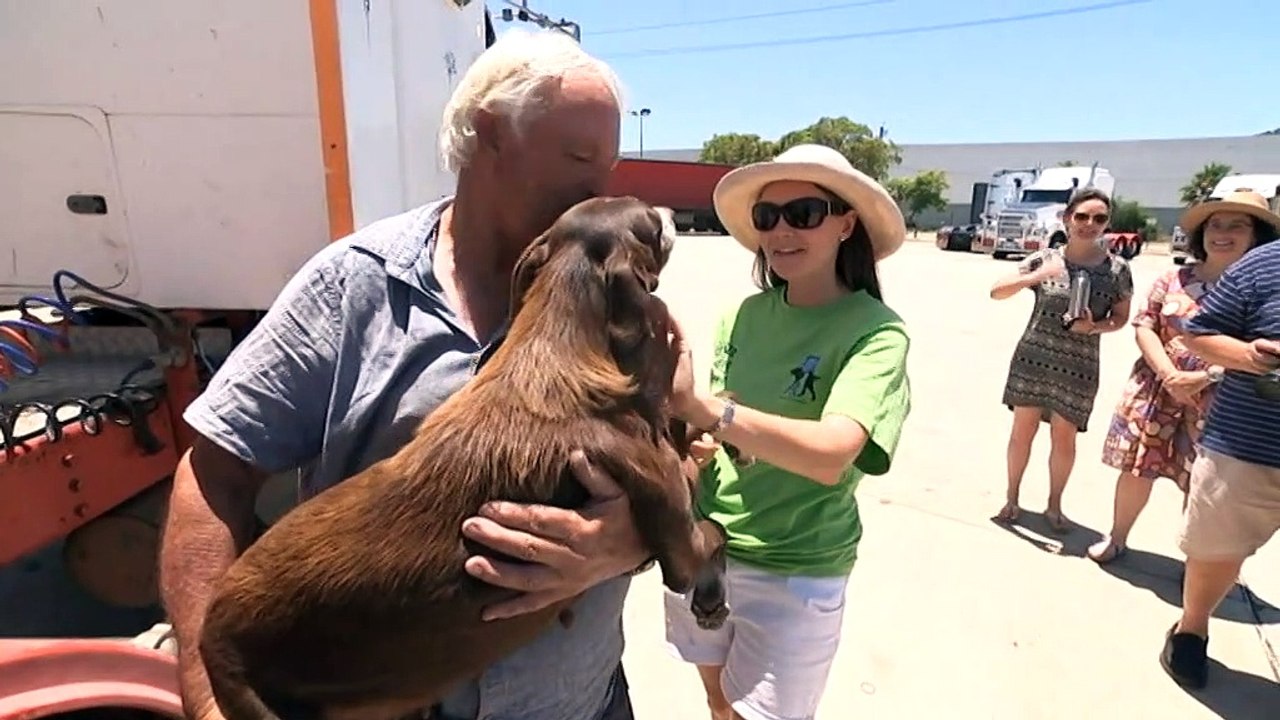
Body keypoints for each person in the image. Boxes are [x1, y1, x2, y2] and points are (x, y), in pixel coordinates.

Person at [158, 30, 656, 720]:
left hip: (575, 704)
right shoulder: (354, 288)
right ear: (491, 135)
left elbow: (682, 461)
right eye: (578, 159)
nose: (597, 192)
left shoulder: (614, 297)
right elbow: (215, 471)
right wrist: (211, 692)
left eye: (606, 166)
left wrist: (627, 541)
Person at [662, 143, 913, 720]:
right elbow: (720, 425)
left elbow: (833, 455)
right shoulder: (742, 316)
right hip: (708, 547)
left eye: (803, 214)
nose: (781, 231)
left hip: (796, 567)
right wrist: (696, 442)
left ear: (846, 223)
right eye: (767, 217)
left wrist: (707, 412)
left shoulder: (876, 332)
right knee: (719, 705)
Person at [1087, 191, 1274, 563]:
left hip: (1221, 401)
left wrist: (1207, 376)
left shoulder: (1263, 290)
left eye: (1236, 226)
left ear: (1258, 237)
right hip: (1156, 388)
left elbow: (1264, 353)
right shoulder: (1174, 278)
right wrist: (1170, 374)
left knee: (1205, 482)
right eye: (1215, 225)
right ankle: (1118, 536)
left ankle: (1200, 562)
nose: (1222, 233)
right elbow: (1145, 326)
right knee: (1137, 468)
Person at [1159, 192, 1280, 690]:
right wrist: (1253, 357)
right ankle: (1191, 630)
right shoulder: (1262, 267)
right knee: (1217, 551)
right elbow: (1197, 330)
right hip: (1249, 444)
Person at [989, 188, 1134, 532]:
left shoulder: (1117, 269)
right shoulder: (1045, 258)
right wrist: (1037, 275)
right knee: (1021, 432)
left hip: (1079, 365)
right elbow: (997, 290)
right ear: (1067, 218)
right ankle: (1012, 498)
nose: (1089, 224)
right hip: (1034, 358)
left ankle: (1054, 506)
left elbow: (1122, 318)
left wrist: (1094, 326)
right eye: (1082, 216)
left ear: (1107, 224)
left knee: (1064, 437)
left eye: (1099, 218)